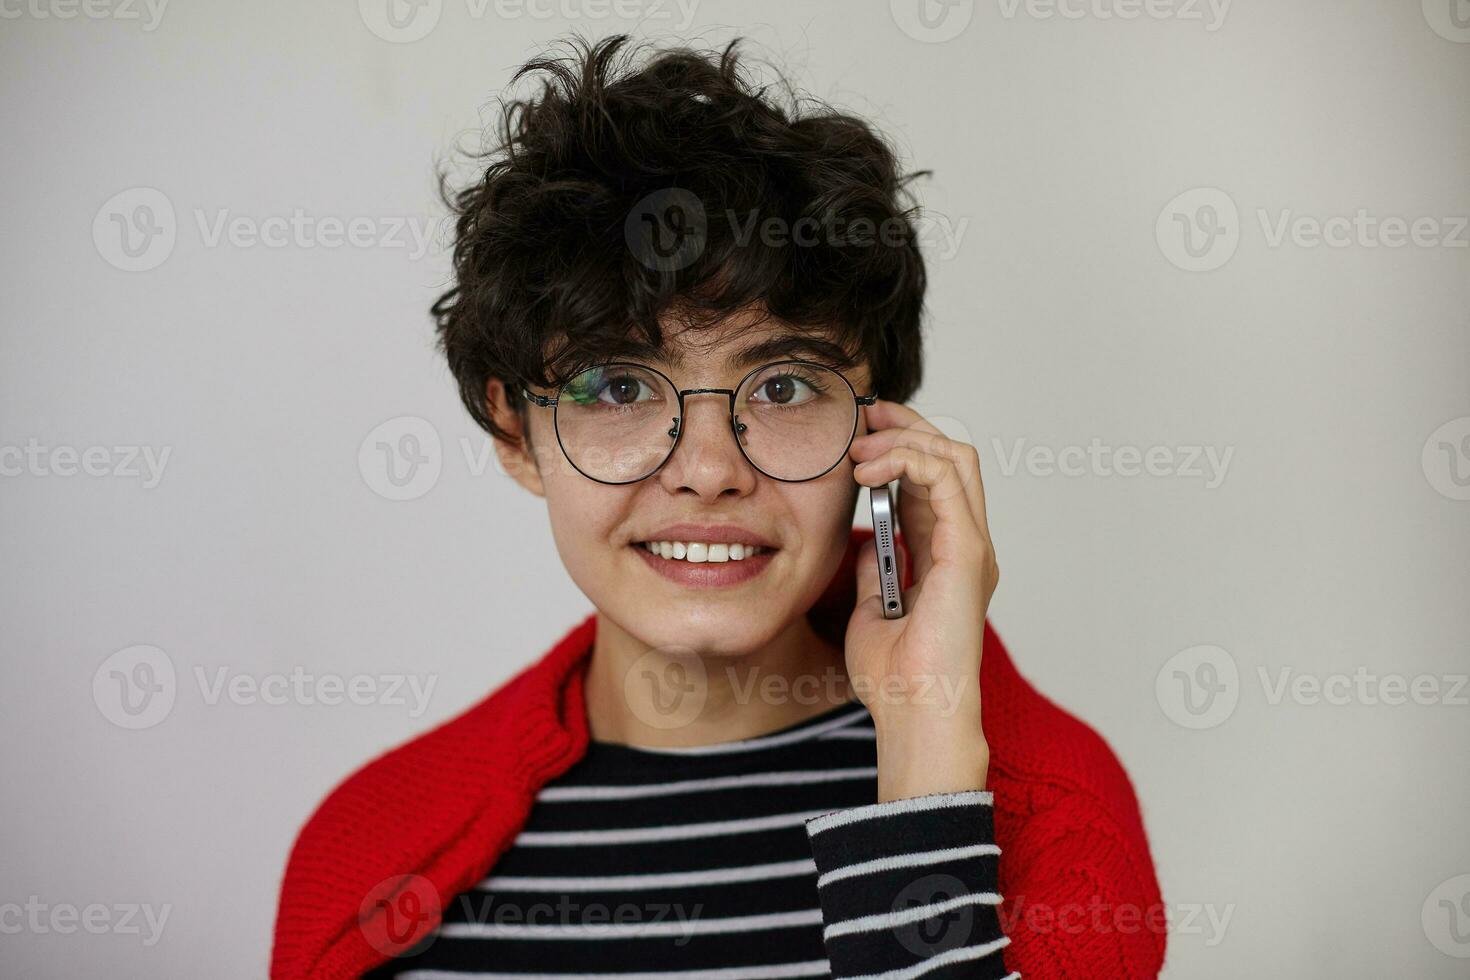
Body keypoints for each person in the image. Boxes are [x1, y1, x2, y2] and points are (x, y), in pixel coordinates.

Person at [271, 34, 1165, 980]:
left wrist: (923, 746)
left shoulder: (1058, 820)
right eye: (616, 387)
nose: (707, 469)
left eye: (783, 387)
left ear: (881, 432)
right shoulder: (364, 852)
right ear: (512, 432)